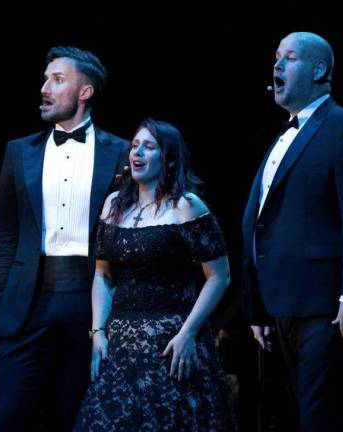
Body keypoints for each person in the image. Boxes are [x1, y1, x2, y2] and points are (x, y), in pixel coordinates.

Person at [0, 46, 129, 432]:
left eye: (57, 79)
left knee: (80, 415)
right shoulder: (18, 152)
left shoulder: (123, 153)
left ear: (85, 91)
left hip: (90, 300)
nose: (45, 87)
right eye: (45, 79)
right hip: (28, 301)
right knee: (12, 416)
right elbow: (4, 239)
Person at [242, 32, 343, 431]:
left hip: (325, 304)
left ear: (319, 70)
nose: (276, 66)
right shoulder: (282, 137)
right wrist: (255, 306)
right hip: (279, 303)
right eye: (275, 58)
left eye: (289, 57)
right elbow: (261, 222)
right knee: (292, 414)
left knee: (320, 415)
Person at [73, 119, 237, 431]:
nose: (137, 152)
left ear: (169, 158)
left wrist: (188, 333)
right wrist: (98, 332)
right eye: (135, 145)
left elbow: (219, 277)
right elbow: (102, 276)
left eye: (149, 147)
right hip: (120, 344)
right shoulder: (114, 206)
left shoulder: (187, 206)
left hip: (171, 341)